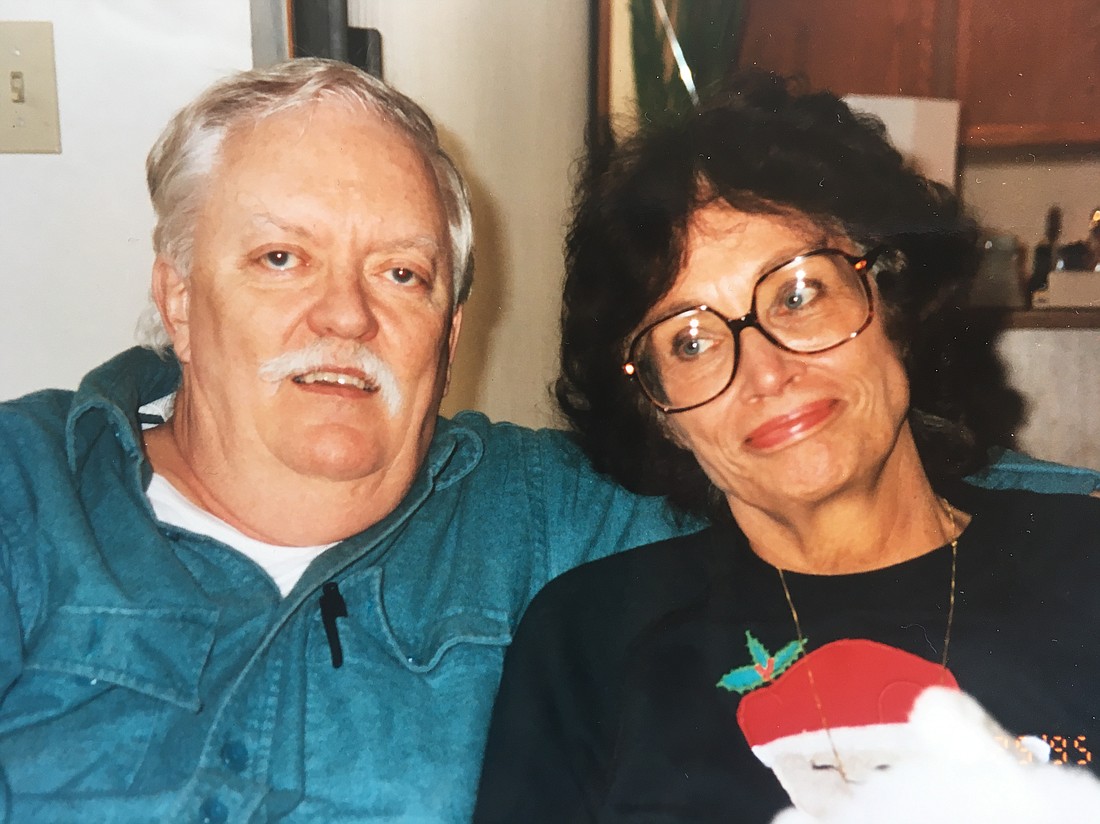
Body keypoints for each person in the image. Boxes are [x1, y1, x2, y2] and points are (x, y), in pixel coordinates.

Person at [0, 58, 703, 823]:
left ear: (450, 333)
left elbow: (799, 539)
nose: (346, 317)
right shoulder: (27, 490)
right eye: (282, 259)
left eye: (401, 274)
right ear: (178, 300)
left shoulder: (545, 516)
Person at [473, 73, 1100, 823]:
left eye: (797, 294)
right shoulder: (588, 642)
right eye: (693, 340)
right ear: (659, 410)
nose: (767, 372)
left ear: (890, 302)